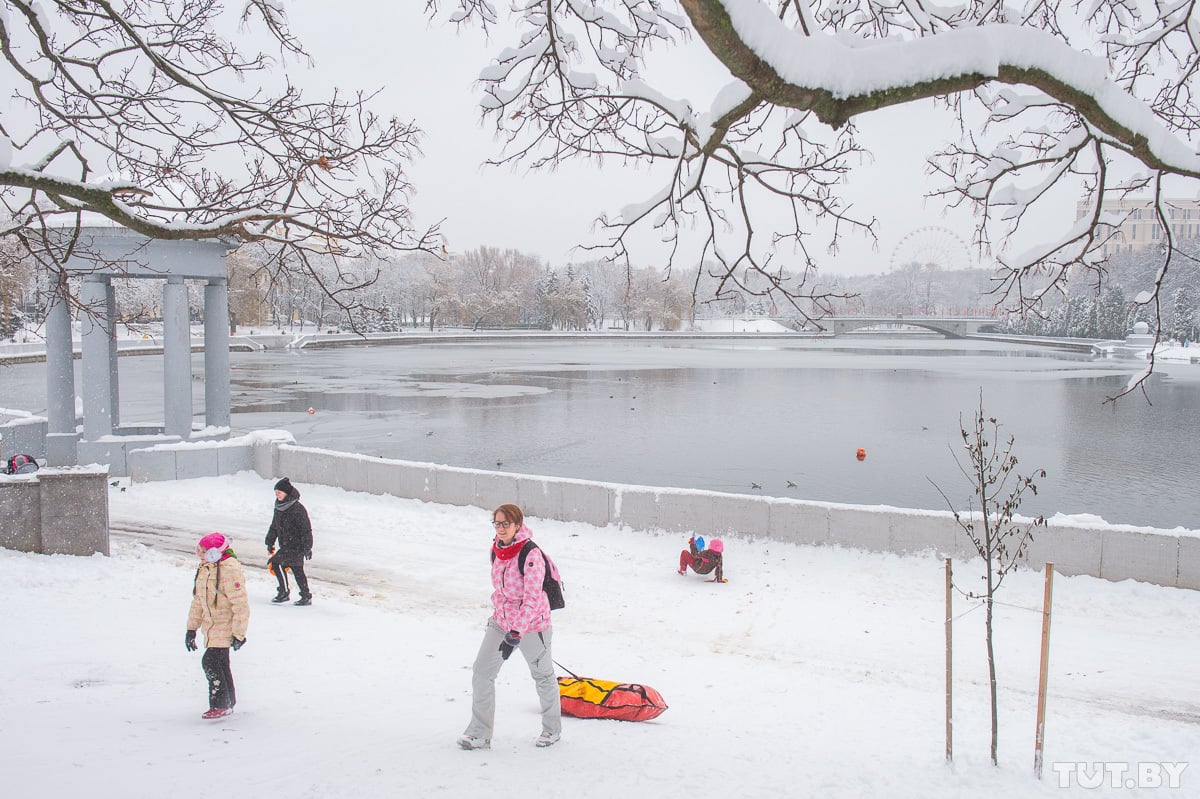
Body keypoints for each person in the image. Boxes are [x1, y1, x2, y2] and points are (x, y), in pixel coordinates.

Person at [458, 503, 562, 750]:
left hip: (533, 625)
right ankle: (480, 734)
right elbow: (501, 590)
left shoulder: (531, 554)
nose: (501, 528)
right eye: (497, 523)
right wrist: (501, 619)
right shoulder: (497, 550)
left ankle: (552, 730)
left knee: (543, 675)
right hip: (501, 621)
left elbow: (532, 598)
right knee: (482, 672)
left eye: (506, 523)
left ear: (517, 525)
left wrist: (517, 631)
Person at [185, 532, 250, 720]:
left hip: (225, 624)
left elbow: (241, 605)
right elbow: (198, 601)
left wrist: (239, 633)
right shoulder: (206, 568)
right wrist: (191, 629)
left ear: (214, 553)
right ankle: (227, 702)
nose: (201, 555)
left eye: (204, 552)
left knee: (211, 662)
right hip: (211, 625)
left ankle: (221, 704)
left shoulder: (229, 570)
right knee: (221, 662)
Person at [265, 477, 313, 605]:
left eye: (279, 492)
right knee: (297, 570)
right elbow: (274, 526)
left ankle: (284, 592)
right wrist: (270, 542)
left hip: (296, 546)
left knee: (276, 564)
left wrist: (307, 547)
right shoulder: (279, 507)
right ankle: (305, 595)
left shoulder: (297, 508)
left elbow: (306, 529)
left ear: (287, 493)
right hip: (286, 545)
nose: (277, 495)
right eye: (276, 493)